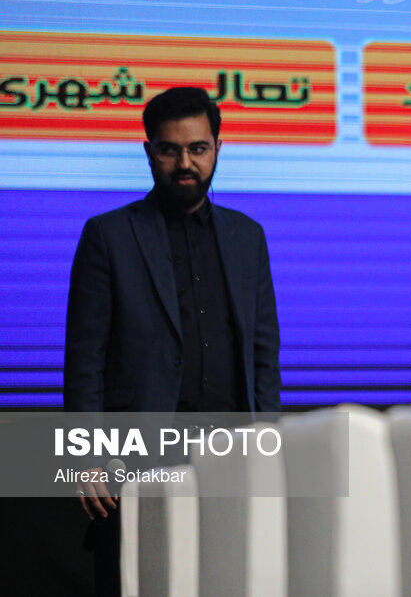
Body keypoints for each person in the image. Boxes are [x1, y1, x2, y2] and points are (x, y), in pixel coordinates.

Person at [63, 86, 281, 595]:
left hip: (234, 453)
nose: (185, 163)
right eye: (170, 150)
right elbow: (85, 357)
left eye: (198, 149)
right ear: (149, 151)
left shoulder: (247, 236)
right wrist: (84, 456)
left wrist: (272, 444)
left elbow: (263, 353)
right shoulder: (108, 235)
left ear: (218, 148)